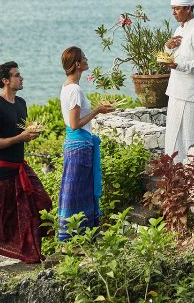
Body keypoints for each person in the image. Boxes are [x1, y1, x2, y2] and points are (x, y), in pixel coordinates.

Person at [0, 61, 53, 277]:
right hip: (0, 170)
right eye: (17, 75)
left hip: (20, 166)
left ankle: (31, 252)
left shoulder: (21, 103)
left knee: (40, 203)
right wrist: (19, 138)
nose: (21, 78)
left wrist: (29, 135)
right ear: (6, 81)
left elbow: (19, 136)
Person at [58, 47, 115, 243]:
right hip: (79, 146)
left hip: (76, 145)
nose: (87, 59)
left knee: (76, 191)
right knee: (77, 193)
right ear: (77, 64)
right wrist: (97, 110)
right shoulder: (74, 89)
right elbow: (75, 124)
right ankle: (71, 242)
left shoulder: (67, 87)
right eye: (83, 57)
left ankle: (78, 239)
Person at [160, 0, 194, 163]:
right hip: (175, 89)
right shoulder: (180, 28)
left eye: (176, 9)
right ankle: (175, 168)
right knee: (173, 133)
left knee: (191, 133)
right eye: (172, 8)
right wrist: (168, 48)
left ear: (188, 8)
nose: (173, 12)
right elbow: (176, 53)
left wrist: (178, 65)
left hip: (190, 92)